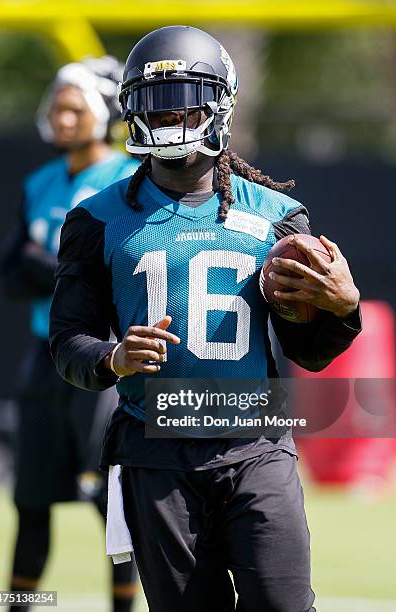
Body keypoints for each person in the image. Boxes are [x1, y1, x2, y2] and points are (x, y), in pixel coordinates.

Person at [49, 26, 362, 612]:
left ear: (221, 101)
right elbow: (68, 343)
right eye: (154, 103)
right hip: (155, 450)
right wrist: (112, 358)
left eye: (186, 100)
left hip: (256, 444)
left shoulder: (277, 215)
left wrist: (343, 310)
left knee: (284, 605)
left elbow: (310, 351)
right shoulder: (95, 219)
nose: (170, 117)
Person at [1, 56, 139, 612]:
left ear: (104, 112)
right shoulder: (39, 182)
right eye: (56, 105)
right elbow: (12, 273)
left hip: (101, 359)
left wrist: (54, 263)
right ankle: (16, 605)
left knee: (108, 497)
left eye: (74, 106)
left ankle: (124, 607)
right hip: (44, 354)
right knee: (30, 496)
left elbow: (110, 270)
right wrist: (64, 265)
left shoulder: (128, 180)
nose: (61, 117)